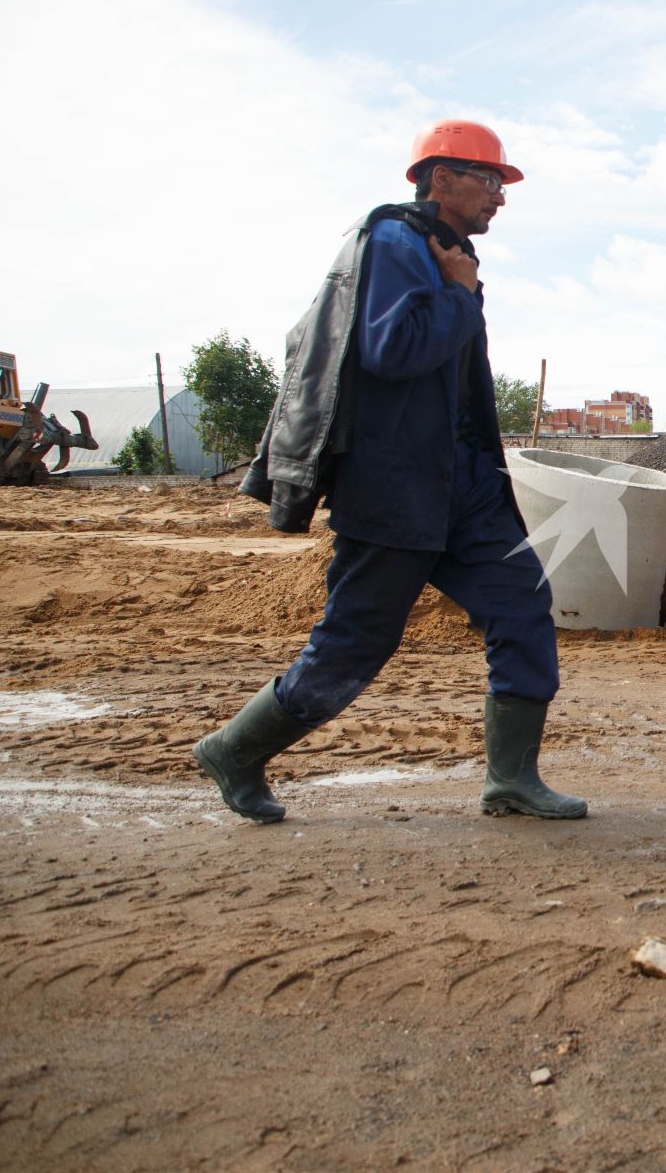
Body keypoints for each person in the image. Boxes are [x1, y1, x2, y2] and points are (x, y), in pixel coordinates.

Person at [197, 119, 586, 825]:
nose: (500, 197)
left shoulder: (443, 248)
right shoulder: (394, 243)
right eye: (490, 180)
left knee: (522, 604)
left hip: (460, 484)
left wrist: (460, 291)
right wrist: (461, 296)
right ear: (441, 177)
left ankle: (512, 779)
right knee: (354, 642)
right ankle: (235, 748)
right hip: (398, 483)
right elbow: (391, 349)